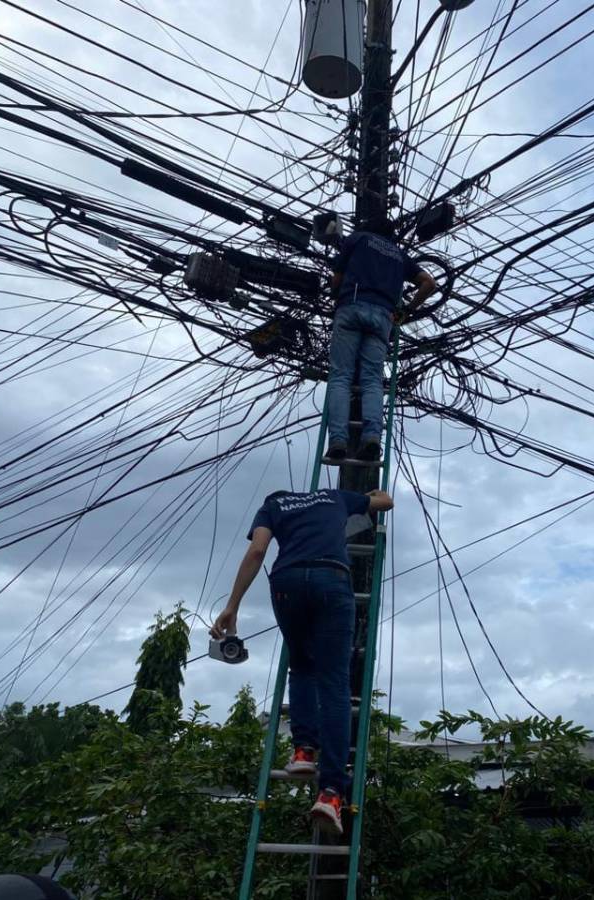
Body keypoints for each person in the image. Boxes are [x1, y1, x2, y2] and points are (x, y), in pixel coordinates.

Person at [211, 486, 394, 836]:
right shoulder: (335, 497)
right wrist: (371, 495)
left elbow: (258, 551)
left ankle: (304, 752)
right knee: (335, 685)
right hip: (331, 579)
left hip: (287, 582)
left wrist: (233, 605)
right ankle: (331, 794)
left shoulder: (273, 504)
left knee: (302, 666)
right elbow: (386, 502)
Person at [326, 218, 435, 462]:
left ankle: (338, 442)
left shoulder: (357, 239)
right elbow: (429, 283)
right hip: (384, 317)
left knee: (341, 376)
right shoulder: (399, 255)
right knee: (372, 380)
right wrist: (406, 312)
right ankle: (372, 438)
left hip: (351, 307)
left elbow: (337, 279)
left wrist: (335, 297)